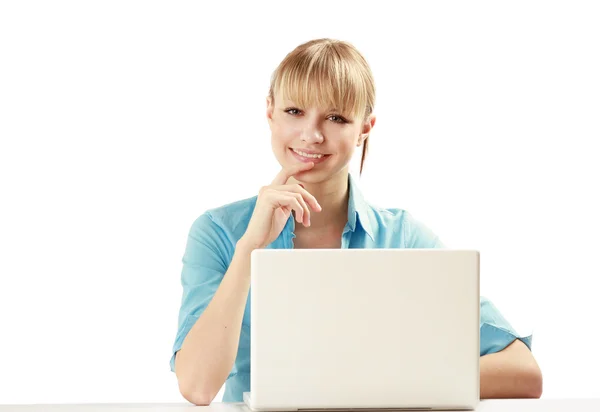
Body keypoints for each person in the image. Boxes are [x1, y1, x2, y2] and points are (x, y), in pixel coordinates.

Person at [169, 38, 543, 405]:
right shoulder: (218, 233)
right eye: (294, 111)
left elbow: (523, 372)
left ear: (365, 127)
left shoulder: (402, 238)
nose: (311, 135)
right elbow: (198, 388)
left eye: (335, 118)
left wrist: (377, 382)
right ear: (270, 112)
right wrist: (249, 248)